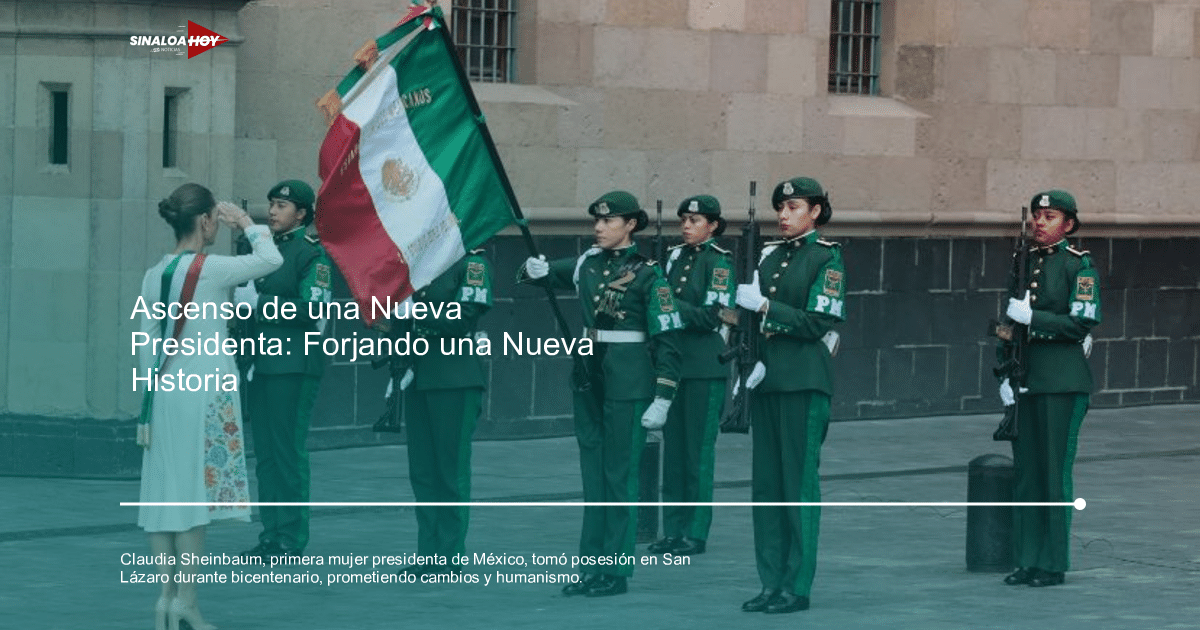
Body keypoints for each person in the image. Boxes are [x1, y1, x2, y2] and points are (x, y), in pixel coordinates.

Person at [520, 191, 683, 597]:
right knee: (593, 478)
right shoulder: (586, 263)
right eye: (596, 221)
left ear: (630, 225)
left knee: (619, 477)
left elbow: (668, 338)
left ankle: (615, 570)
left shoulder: (648, 273)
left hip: (627, 379)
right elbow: (535, 276)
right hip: (589, 373)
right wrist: (532, 267)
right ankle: (592, 567)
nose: (598, 227)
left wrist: (663, 395)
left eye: (608, 222)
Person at [137, 183, 282, 630]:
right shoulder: (213, 268)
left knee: (164, 496)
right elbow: (270, 261)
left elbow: (146, 344)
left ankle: (164, 600)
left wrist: (145, 403)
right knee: (195, 497)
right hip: (205, 394)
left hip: (162, 396)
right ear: (204, 221)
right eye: (216, 219)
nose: (219, 224)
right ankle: (188, 602)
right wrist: (247, 224)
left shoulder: (153, 273)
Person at [735, 177, 845, 614]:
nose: (783, 214)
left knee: (797, 487)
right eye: (780, 207)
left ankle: (796, 586)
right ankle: (770, 582)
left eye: (794, 207)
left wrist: (764, 308)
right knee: (767, 488)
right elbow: (744, 317)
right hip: (767, 380)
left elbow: (819, 319)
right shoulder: (766, 257)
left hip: (803, 381)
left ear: (815, 211)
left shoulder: (827, 259)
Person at [1000, 189, 1101, 588]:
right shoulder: (1021, 262)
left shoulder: (1080, 266)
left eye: (1050, 216)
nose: (1039, 222)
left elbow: (1082, 322)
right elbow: (1006, 320)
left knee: (1053, 476)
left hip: (1061, 381)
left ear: (1068, 225)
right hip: (1025, 379)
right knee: (1027, 475)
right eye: (1037, 215)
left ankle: (1053, 562)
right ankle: (1026, 559)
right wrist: (1002, 374)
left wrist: (1034, 317)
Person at [238, 180, 333, 559]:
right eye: (272, 204)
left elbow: (314, 308)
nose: (273, 211)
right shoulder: (266, 251)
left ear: (302, 214)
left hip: (294, 366)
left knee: (287, 453)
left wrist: (261, 303)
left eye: (282, 205)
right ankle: (271, 532)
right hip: (263, 364)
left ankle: (291, 536)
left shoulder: (311, 255)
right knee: (266, 455)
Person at [392, 248, 493, 574]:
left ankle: (448, 555)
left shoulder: (471, 263)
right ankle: (428, 552)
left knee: (449, 471)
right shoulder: (423, 261)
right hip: (419, 374)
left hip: (454, 378)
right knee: (423, 471)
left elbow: (460, 319)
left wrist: (414, 312)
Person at [646, 195, 733, 557]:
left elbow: (712, 315)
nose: (686, 226)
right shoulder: (675, 256)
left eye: (695, 220)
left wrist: (665, 301)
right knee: (674, 454)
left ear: (712, 225)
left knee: (697, 454)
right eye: (684, 219)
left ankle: (695, 532)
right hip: (675, 365)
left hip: (703, 368)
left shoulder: (720, 262)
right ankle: (673, 529)